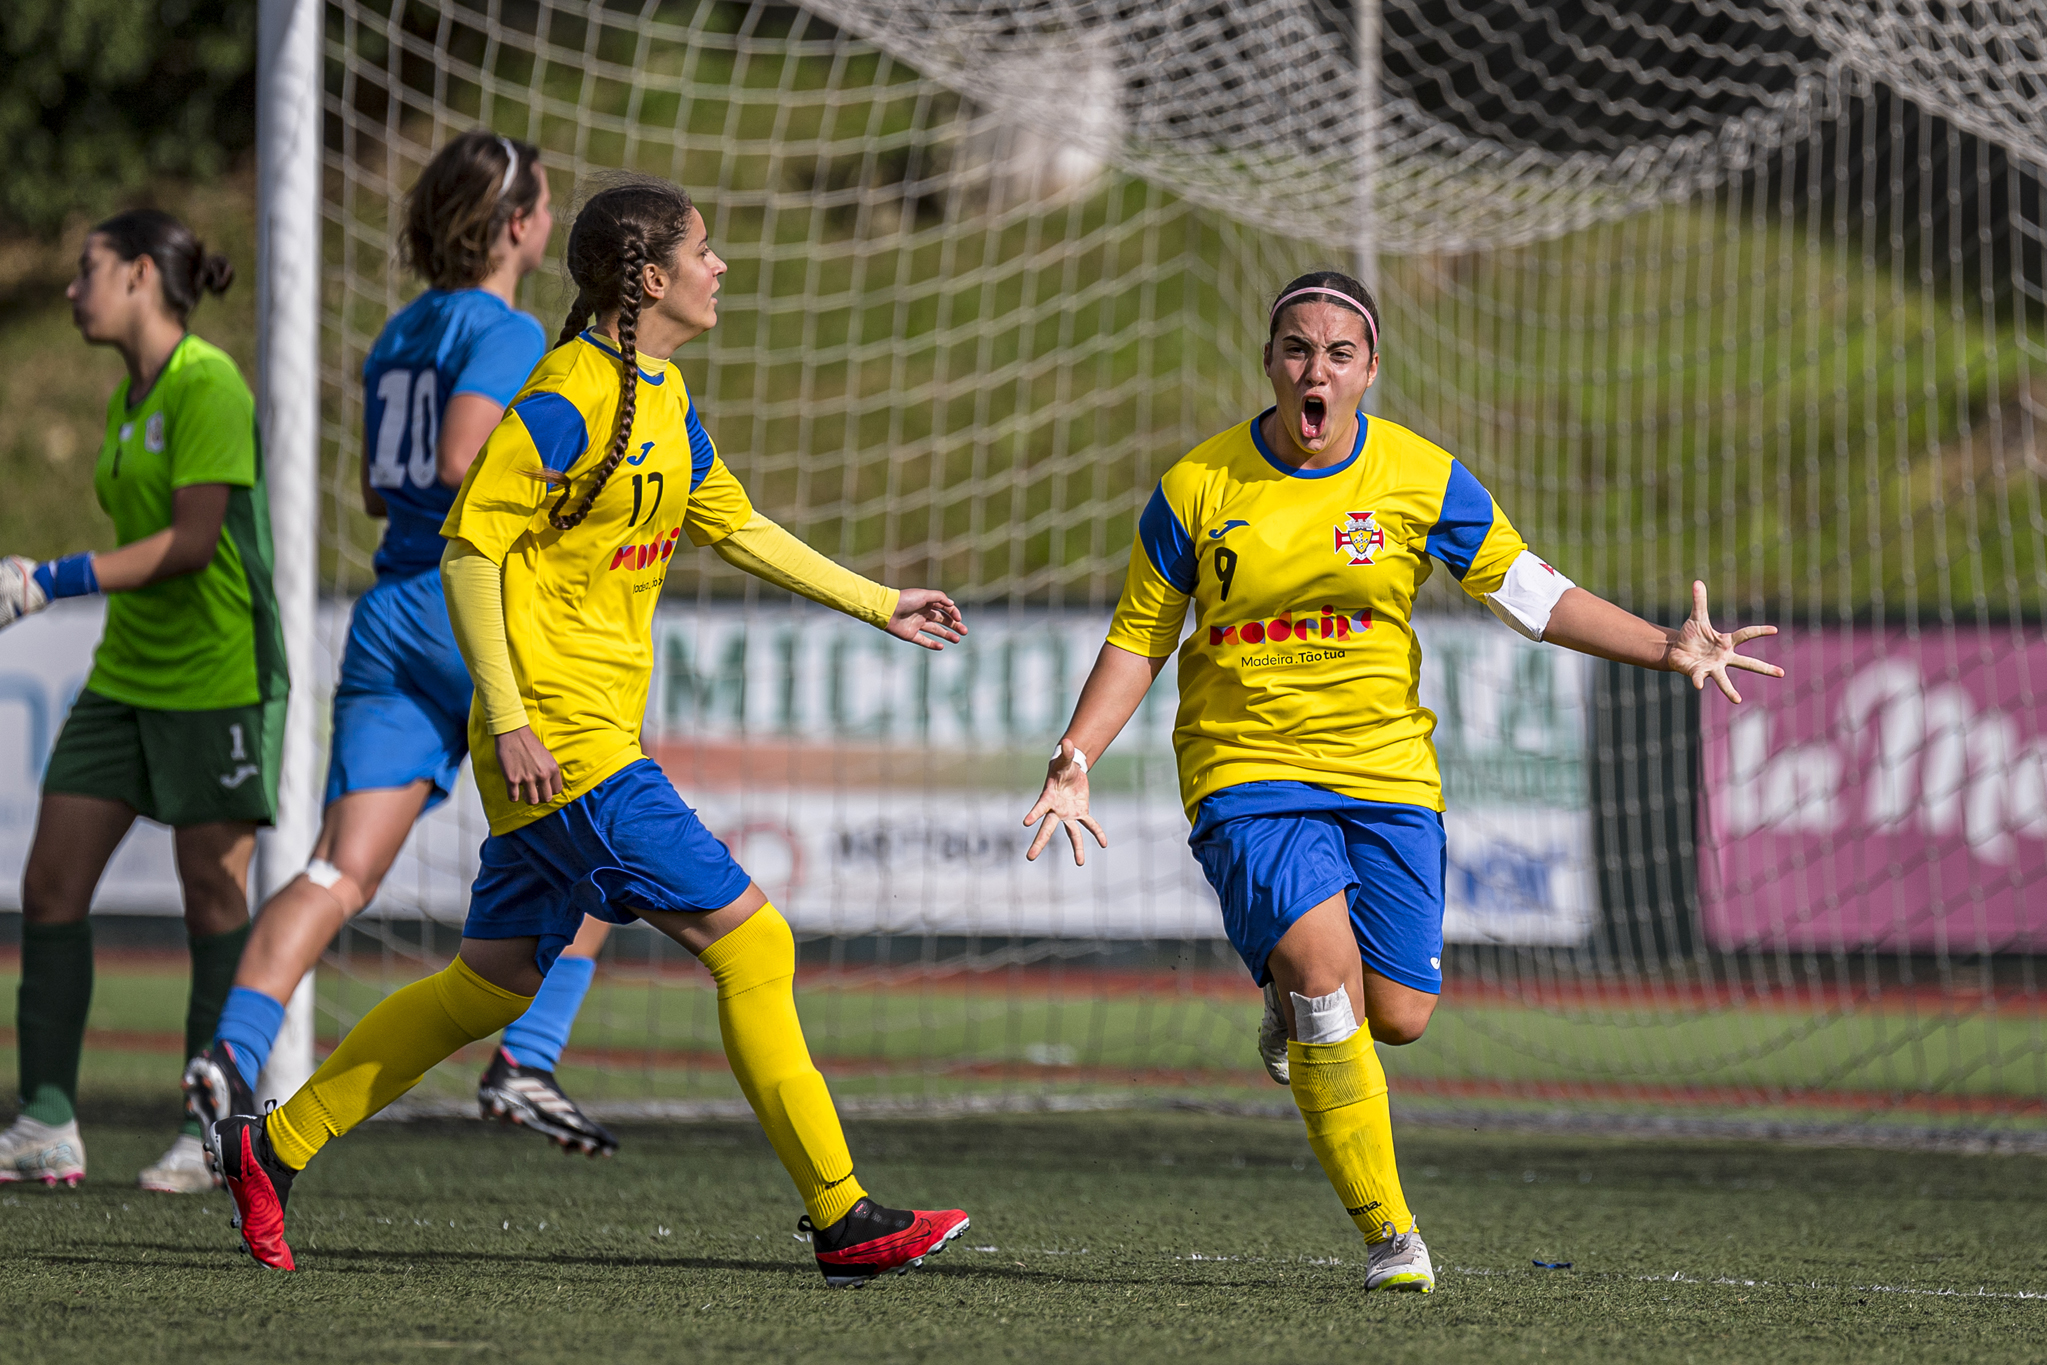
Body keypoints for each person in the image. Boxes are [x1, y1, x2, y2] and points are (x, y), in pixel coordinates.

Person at [212, 176, 974, 1283]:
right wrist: (512, 719)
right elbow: (468, 549)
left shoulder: (660, 395)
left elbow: (741, 526)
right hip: (565, 745)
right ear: (651, 277)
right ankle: (842, 1213)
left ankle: (270, 1147)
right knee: (755, 942)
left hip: (582, 741)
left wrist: (880, 602)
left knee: (489, 984)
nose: (722, 270)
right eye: (704, 252)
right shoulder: (566, 395)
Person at [1021, 269, 1783, 1294]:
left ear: (1370, 371)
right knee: (1323, 973)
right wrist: (1073, 761)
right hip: (1245, 770)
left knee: (1402, 1014)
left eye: (1339, 354)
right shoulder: (1195, 489)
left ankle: (1290, 997)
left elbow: (1531, 592)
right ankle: (1391, 1236)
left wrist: (1665, 647)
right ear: (1269, 361)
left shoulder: (1419, 477)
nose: (1316, 370)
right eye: (1297, 349)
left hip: (1386, 770)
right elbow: (1138, 640)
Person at [180, 130, 620, 1164]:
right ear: (517, 226)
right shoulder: (507, 332)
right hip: (471, 612)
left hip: (386, 617)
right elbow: (463, 455)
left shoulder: (400, 332)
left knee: (339, 870)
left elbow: (385, 486)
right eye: (545, 207)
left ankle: (233, 1053)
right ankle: (529, 1060)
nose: (551, 223)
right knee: (617, 819)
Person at [0, 210, 283, 1193]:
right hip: (126, 677)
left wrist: (52, 579)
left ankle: (213, 1130)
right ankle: (44, 1118)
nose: (73, 288)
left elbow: (194, 544)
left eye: (86, 270)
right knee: (49, 888)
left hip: (217, 679)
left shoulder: (209, 382)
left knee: (213, 898)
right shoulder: (131, 397)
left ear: (136, 275)